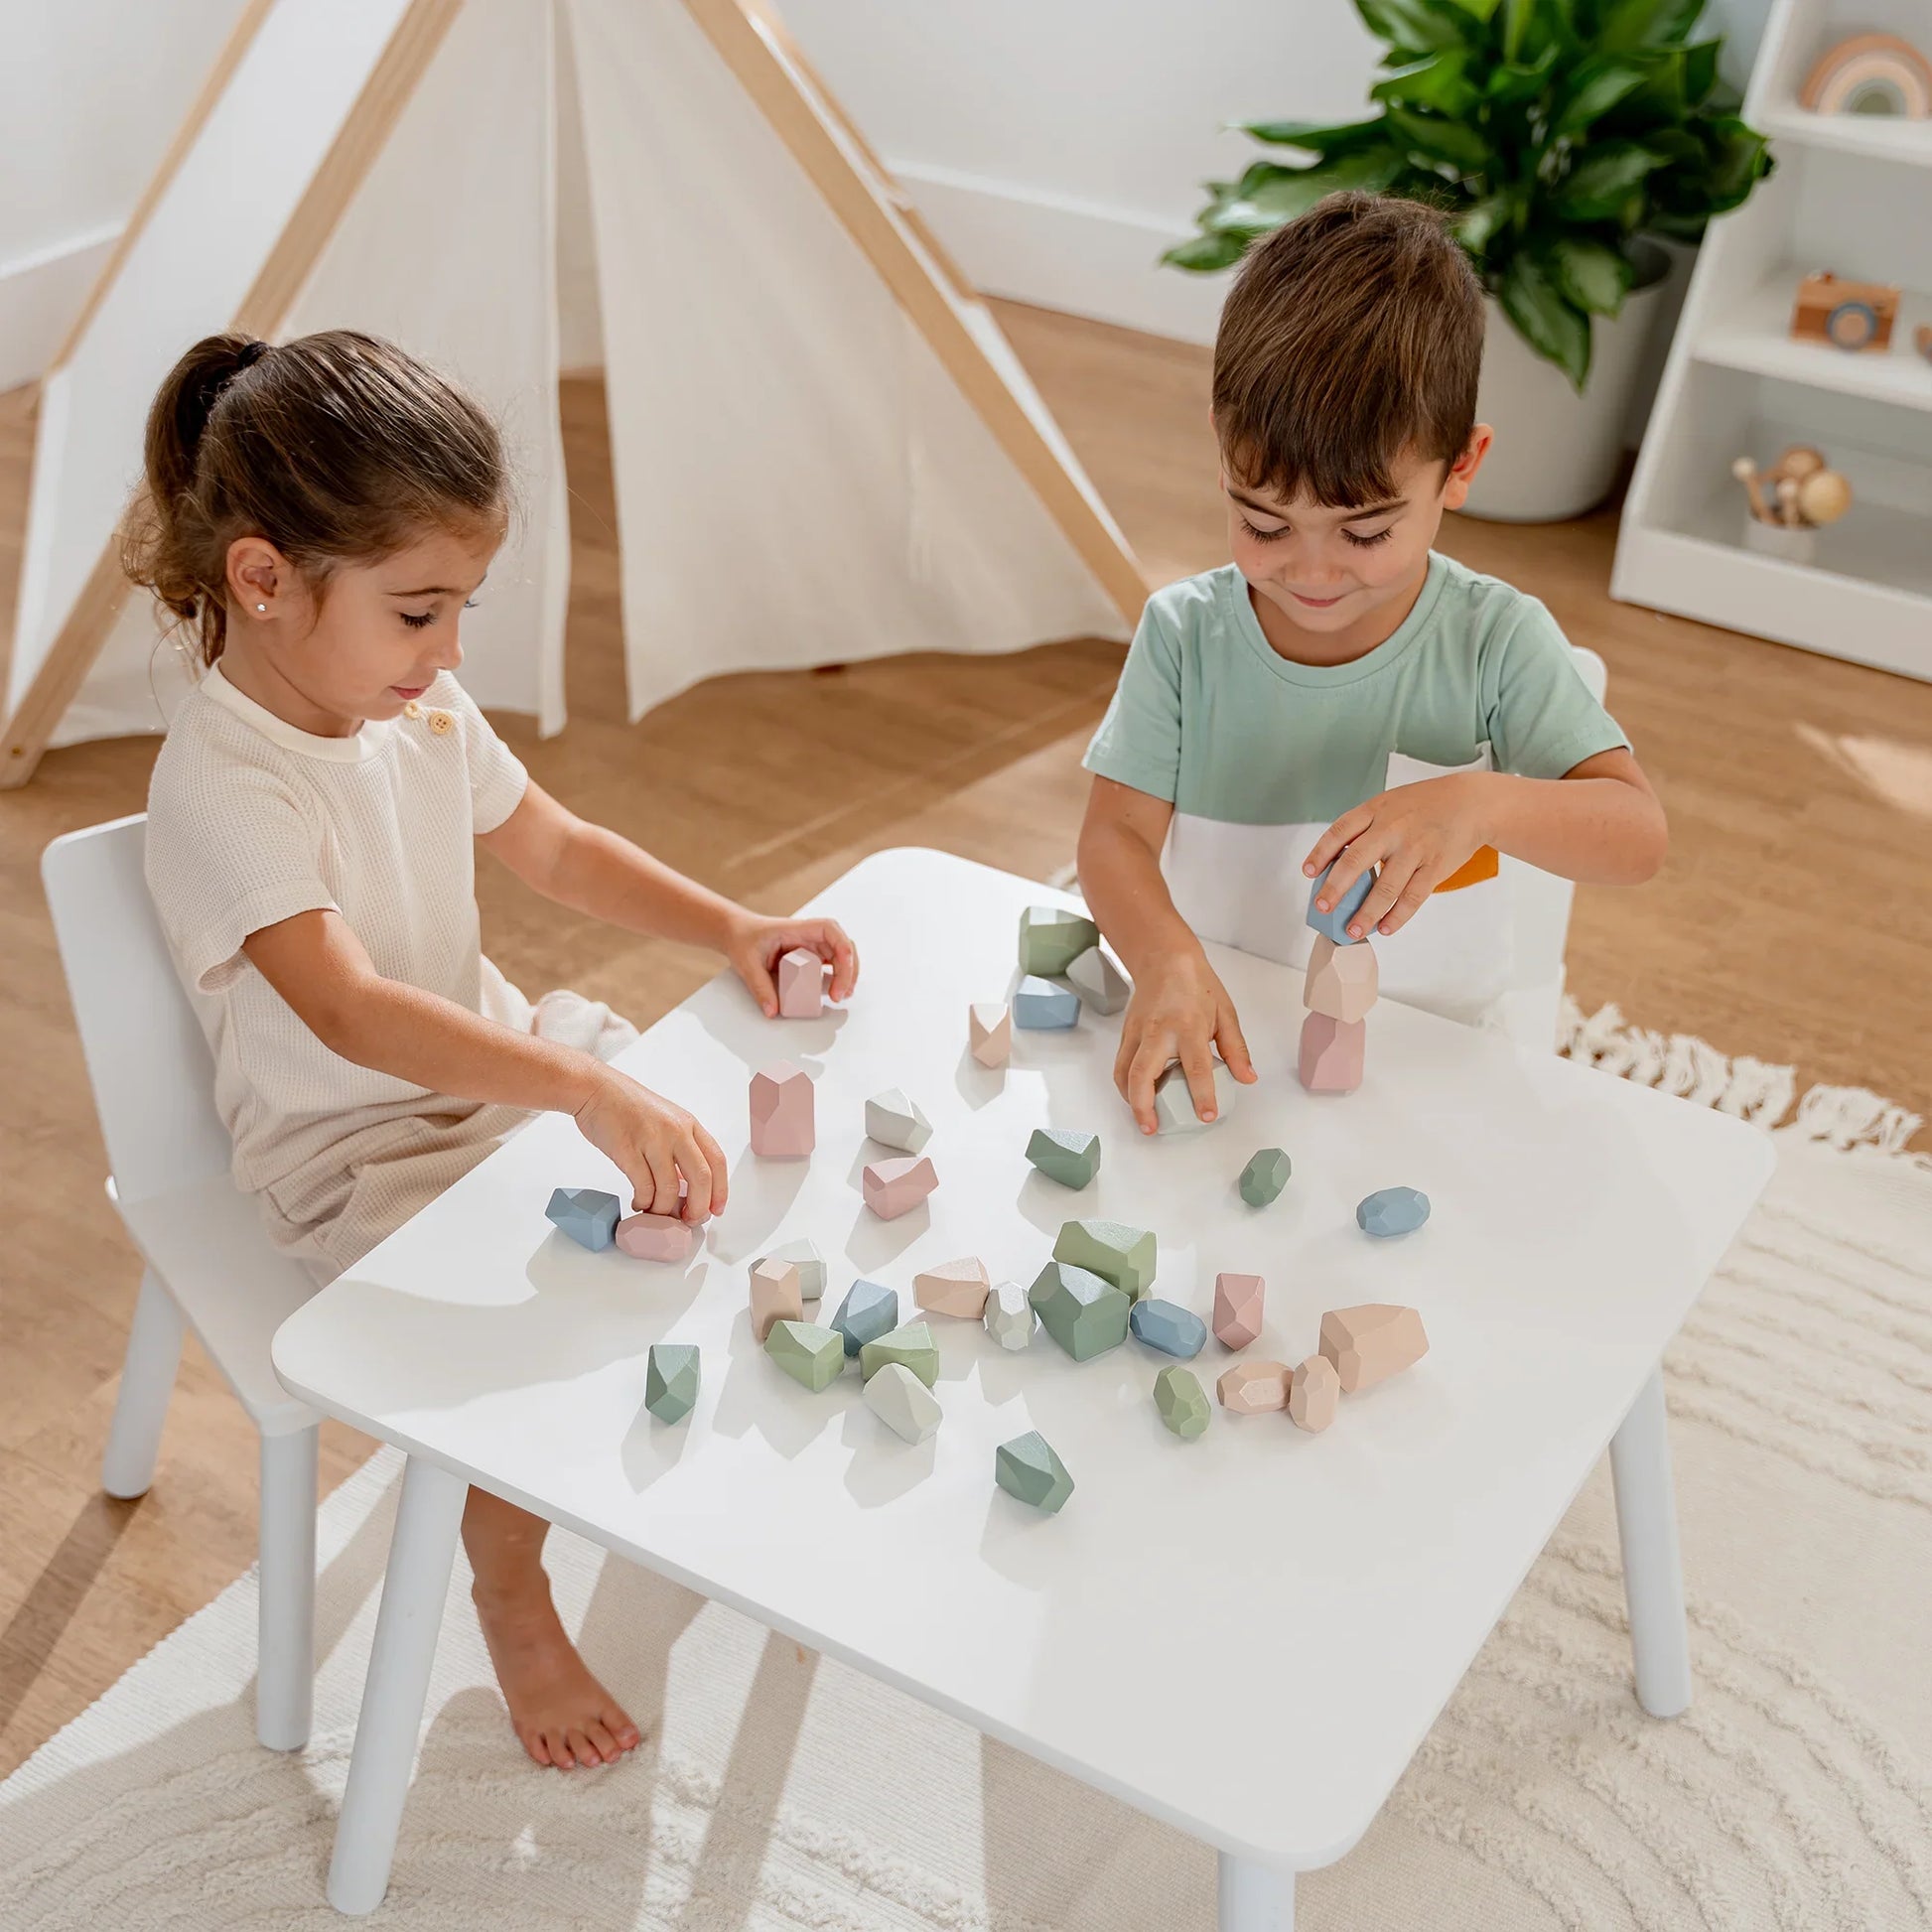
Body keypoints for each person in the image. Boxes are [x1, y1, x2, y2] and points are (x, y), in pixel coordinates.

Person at [130, 329, 857, 1771]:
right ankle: (510, 1586)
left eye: (460, 607)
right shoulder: (221, 787)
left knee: (726, 1156)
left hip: (495, 1071)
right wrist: (583, 1086)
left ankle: (674, 1463)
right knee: (534, 1339)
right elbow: (346, 1011)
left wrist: (729, 922)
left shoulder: (414, 708)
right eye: (418, 612)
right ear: (263, 580)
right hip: (353, 1151)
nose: (450, 653)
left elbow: (558, 848)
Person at [1077, 192, 1666, 1132]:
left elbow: (1637, 835)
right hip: (1228, 1047)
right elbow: (1112, 839)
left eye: (1365, 531)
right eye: (1262, 522)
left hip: (1426, 1070)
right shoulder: (1185, 636)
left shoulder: (1495, 639)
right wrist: (1163, 958)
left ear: (1461, 469)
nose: (1309, 570)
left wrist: (1478, 805)